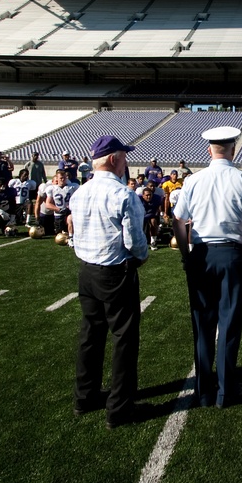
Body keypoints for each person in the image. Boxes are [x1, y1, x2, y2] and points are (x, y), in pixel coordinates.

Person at [171, 126, 242, 410]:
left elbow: (178, 221)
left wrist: (187, 256)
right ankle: (225, 392)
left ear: (209, 149)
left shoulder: (193, 181)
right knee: (229, 324)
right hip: (234, 255)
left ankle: (203, 391)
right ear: (233, 149)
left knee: (202, 325)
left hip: (201, 254)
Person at [70, 136, 149, 428]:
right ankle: (120, 408)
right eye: (124, 157)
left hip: (87, 270)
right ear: (115, 159)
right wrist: (141, 257)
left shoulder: (80, 192)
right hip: (115, 271)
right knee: (124, 340)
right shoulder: (123, 195)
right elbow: (135, 241)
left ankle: (85, 396)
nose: (126, 162)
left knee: (90, 334)